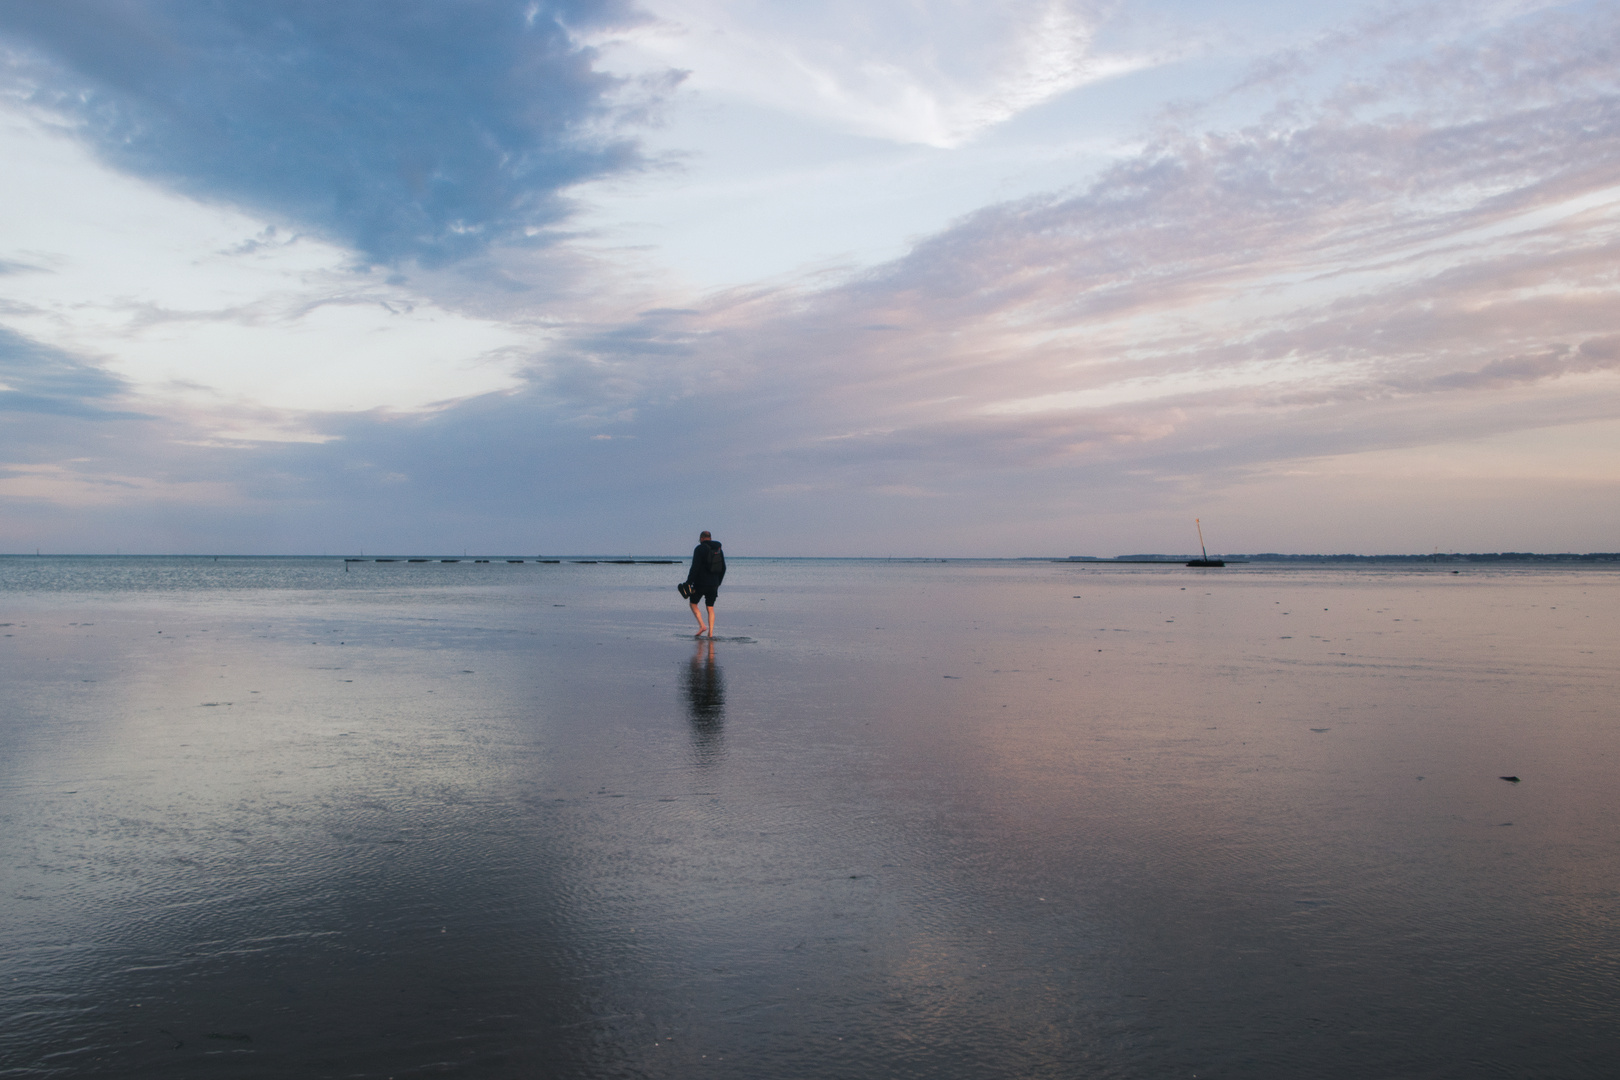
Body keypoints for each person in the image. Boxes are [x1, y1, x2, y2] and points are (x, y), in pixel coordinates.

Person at [684, 530, 726, 637]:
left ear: (701, 538)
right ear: (710, 538)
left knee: (693, 603)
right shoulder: (719, 549)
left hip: (700, 583)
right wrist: (718, 582)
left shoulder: (699, 549)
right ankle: (710, 633)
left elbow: (695, 567)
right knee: (710, 607)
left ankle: (702, 625)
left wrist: (689, 582)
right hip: (714, 584)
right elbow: (723, 568)